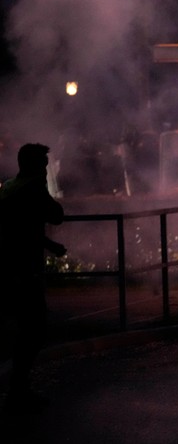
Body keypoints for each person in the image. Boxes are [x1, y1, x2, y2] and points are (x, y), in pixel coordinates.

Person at [0, 143, 66, 413]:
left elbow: (20, 228)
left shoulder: (9, 186)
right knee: (35, 328)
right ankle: (18, 389)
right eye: (43, 162)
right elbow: (56, 215)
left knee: (25, 326)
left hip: (8, 266)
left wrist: (50, 246)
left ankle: (18, 386)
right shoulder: (32, 188)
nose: (46, 167)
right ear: (36, 165)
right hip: (22, 269)